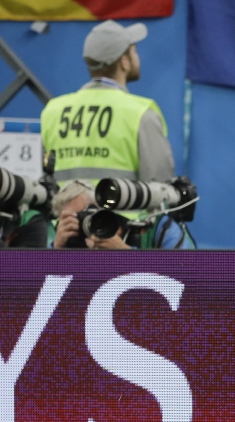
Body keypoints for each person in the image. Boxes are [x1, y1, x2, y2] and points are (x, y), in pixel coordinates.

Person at [40, 19, 174, 187]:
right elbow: (159, 188)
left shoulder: (53, 111)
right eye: (134, 51)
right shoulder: (140, 113)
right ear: (124, 62)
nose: (137, 57)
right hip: (124, 214)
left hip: (66, 214)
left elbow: (47, 181)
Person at [50, 180, 195, 249]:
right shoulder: (67, 242)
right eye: (75, 220)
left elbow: (188, 277)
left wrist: (124, 254)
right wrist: (56, 249)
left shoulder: (157, 229)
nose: (88, 225)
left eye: (90, 214)